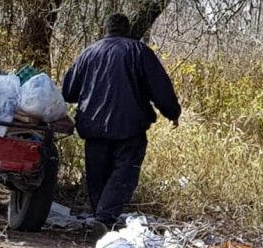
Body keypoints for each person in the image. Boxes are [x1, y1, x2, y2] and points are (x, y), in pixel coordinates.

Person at [62, 13, 180, 227]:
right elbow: (160, 87)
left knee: (97, 174)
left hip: (93, 126)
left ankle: (100, 218)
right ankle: (104, 218)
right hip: (129, 126)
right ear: (127, 30)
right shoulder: (139, 52)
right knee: (124, 172)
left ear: (105, 30)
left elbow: (69, 91)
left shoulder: (88, 53)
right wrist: (172, 113)